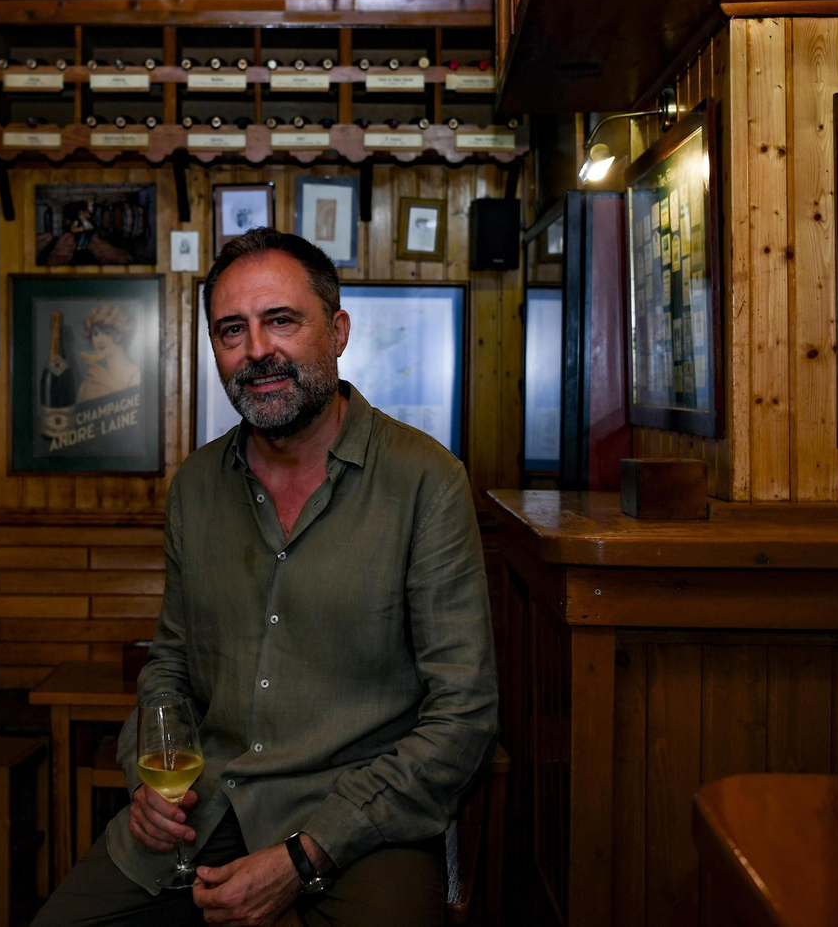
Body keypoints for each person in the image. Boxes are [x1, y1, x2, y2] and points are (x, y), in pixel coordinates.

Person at [33, 228, 498, 927]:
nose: (256, 350)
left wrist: (306, 854)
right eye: (232, 329)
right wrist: (152, 776)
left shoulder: (427, 481)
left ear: (337, 331)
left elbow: (462, 713)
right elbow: (170, 663)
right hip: (206, 802)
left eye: (281, 320)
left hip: (363, 825)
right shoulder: (195, 485)